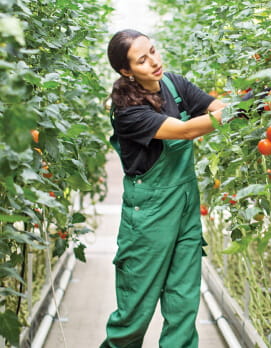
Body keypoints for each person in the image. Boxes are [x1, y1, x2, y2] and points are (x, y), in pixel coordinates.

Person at [101, 29, 228, 348]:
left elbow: (215, 106)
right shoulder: (127, 111)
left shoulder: (174, 84)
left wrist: (237, 108)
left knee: (184, 303)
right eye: (142, 60)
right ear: (126, 71)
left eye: (153, 52)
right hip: (149, 215)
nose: (154, 62)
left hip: (185, 208)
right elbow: (184, 131)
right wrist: (236, 113)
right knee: (135, 312)